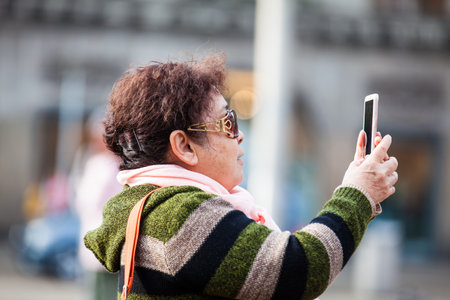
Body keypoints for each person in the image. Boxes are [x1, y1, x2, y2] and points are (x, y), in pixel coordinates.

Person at [84, 53, 398, 300]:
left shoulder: (157, 206)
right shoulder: (178, 215)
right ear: (183, 145)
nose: (241, 135)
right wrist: (358, 194)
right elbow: (298, 269)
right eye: (228, 122)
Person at [74, 109, 122, 300]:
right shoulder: (97, 163)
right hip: (95, 240)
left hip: (107, 243)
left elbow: (89, 200)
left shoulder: (112, 165)